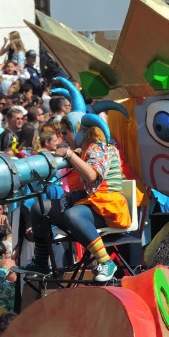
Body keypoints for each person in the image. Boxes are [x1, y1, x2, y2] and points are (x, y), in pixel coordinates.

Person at [23, 108, 130, 283]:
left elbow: (92, 176)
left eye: (66, 132)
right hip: (87, 205)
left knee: (73, 214)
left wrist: (70, 155)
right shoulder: (84, 150)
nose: (63, 137)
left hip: (107, 208)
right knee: (39, 209)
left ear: (81, 130)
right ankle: (41, 262)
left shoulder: (100, 148)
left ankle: (106, 261)